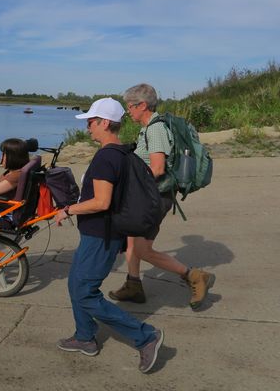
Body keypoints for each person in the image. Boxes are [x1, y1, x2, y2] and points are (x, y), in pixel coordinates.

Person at [54, 97, 164, 374]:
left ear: (105, 123)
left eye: (91, 122)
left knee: (85, 292)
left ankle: (146, 336)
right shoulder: (121, 152)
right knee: (76, 283)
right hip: (101, 233)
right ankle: (84, 336)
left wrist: (67, 210)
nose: (88, 127)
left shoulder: (106, 157)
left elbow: (101, 202)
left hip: (101, 235)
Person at [110, 84, 215, 309]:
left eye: (130, 106)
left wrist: (129, 184)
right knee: (131, 240)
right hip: (148, 194)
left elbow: (157, 168)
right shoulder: (148, 127)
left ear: (142, 105)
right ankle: (134, 285)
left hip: (154, 197)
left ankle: (194, 276)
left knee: (141, 249)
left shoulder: (155, 130)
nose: (128, 111)